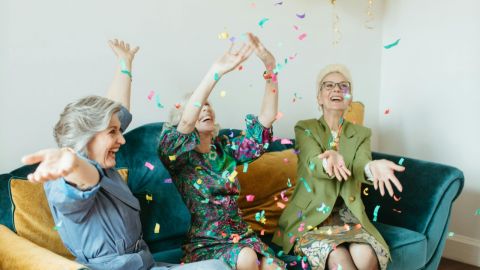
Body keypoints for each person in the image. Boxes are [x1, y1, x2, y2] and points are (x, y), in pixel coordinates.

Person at [22, 39, 228, 270]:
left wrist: (125, 65)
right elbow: (85, 180)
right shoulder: (65, 179)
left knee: (218, 266)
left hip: (146, 264)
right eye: (113, 132)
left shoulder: (102, 162)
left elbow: (116, 109)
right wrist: (72, 163)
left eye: (119, 130)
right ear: (86, 137)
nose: (122, 139)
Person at [158, 33, 285, 270]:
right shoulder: (178, 156)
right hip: (205, 243)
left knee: (273, 266)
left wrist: (271, 67)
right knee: (247, 258)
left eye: (209, 105)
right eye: (199, 107)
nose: (205, 108)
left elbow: (266, 120)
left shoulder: (224, 148)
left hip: (241, 237)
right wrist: (216, 72)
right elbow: (185, 125)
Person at [273, 64, 405, 270]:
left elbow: (361, 164)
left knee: (365, 256)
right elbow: (311, 161)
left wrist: (372, 167)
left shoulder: (362, 133)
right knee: (338, 258)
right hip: (310, 219)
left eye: (343, 86)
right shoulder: (305, 127)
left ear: (349, 97)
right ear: (319, 97)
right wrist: (328, 159)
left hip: (348, 217)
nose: (336, 90)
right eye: (329, 85)